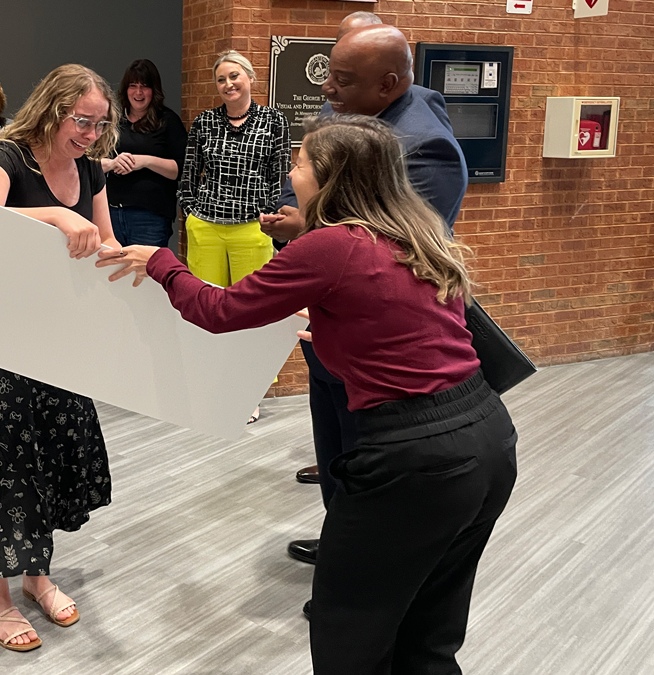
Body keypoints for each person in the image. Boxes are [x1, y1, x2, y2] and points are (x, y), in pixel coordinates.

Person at [99, 115, 516, 675]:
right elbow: (403, 323)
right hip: (488, 437)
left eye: (298, 163)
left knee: (348, 632)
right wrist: (337, 329)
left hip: (414, 460)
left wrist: (161, 261)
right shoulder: (413, 230)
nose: (290, 173)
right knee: (428, 636)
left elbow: (219, 312)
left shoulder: (330, 246)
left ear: (330, 177)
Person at [264, 23, 470, 582]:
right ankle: (343, 548)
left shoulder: (427, 147)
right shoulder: (347, 113)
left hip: (377, 352)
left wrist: (303, 227)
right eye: (330, 72)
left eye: (342, 79)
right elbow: (302, 188)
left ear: (388, 84)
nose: (327, 88)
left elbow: (391, 243)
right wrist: (294, 221)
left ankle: (365, 576)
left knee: (371, 469)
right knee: (336, 457)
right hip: (328, 337)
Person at [0, 63, 123, 652]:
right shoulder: (3, 156)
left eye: (100, 125)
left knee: (50, 458)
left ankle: (36, 576)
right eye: (82, 121)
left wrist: (140, 264)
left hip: (57, 341)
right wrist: (54, 215)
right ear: (53, 108)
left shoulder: (89, 169)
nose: (90, 134)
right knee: (1, 464)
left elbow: (104, 246)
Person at [181, 50, 291, 423]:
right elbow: (189, 172)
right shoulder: (204, 122)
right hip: (207, 227)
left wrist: (272, 216)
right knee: (203, 308)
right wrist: (190, 210)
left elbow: (279, 174)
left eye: (234, 77)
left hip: (251, 229)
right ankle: (209, 388)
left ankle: (248, 392)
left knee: (253, 311)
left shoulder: (273, 121)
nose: (228, 84)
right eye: (221, 79)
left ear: (249, 78)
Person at [102, 59, 187, 247]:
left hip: (150, 218)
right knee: (110, 272)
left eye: (145, 86)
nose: (138, 92)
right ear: (126, 89)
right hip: (111, 213)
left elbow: (181, 170)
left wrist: (145, 161)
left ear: (153, 91)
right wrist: (112, 163)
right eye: (133, 86)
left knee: (146, 273)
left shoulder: (168, 121)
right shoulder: (113, 120)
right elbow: (89, 160)